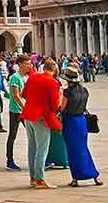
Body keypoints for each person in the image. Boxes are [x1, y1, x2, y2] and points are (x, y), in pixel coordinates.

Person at [21, 59, 63, 190]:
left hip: (29, 115)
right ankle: (40, 179)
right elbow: (55, 105)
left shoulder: (33, 77)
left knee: (32, 147)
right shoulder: (53, 82)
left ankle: (33, 178)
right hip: (41, 118)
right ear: (55, 69)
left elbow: (24, 94)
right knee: (42, 148)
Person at [59, 67, 102, 187]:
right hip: (81, 121)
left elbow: (62, 108)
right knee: (83, 149)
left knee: (73, 151)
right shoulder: (84, 90)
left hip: (71, 121)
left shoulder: (67, 92)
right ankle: (94, 175)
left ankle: (75, 178)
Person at [4, 55, 30, 170]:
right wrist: (24, 108)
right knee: (12, 135)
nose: (29, 66)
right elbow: (15, 95)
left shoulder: (26, 77)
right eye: (27, 63)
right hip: (16, 111)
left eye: (30, 63)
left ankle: (38, 159)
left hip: (24, 109)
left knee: (32, 135)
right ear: (20, 64)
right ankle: (10, 160)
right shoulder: (15, 77)